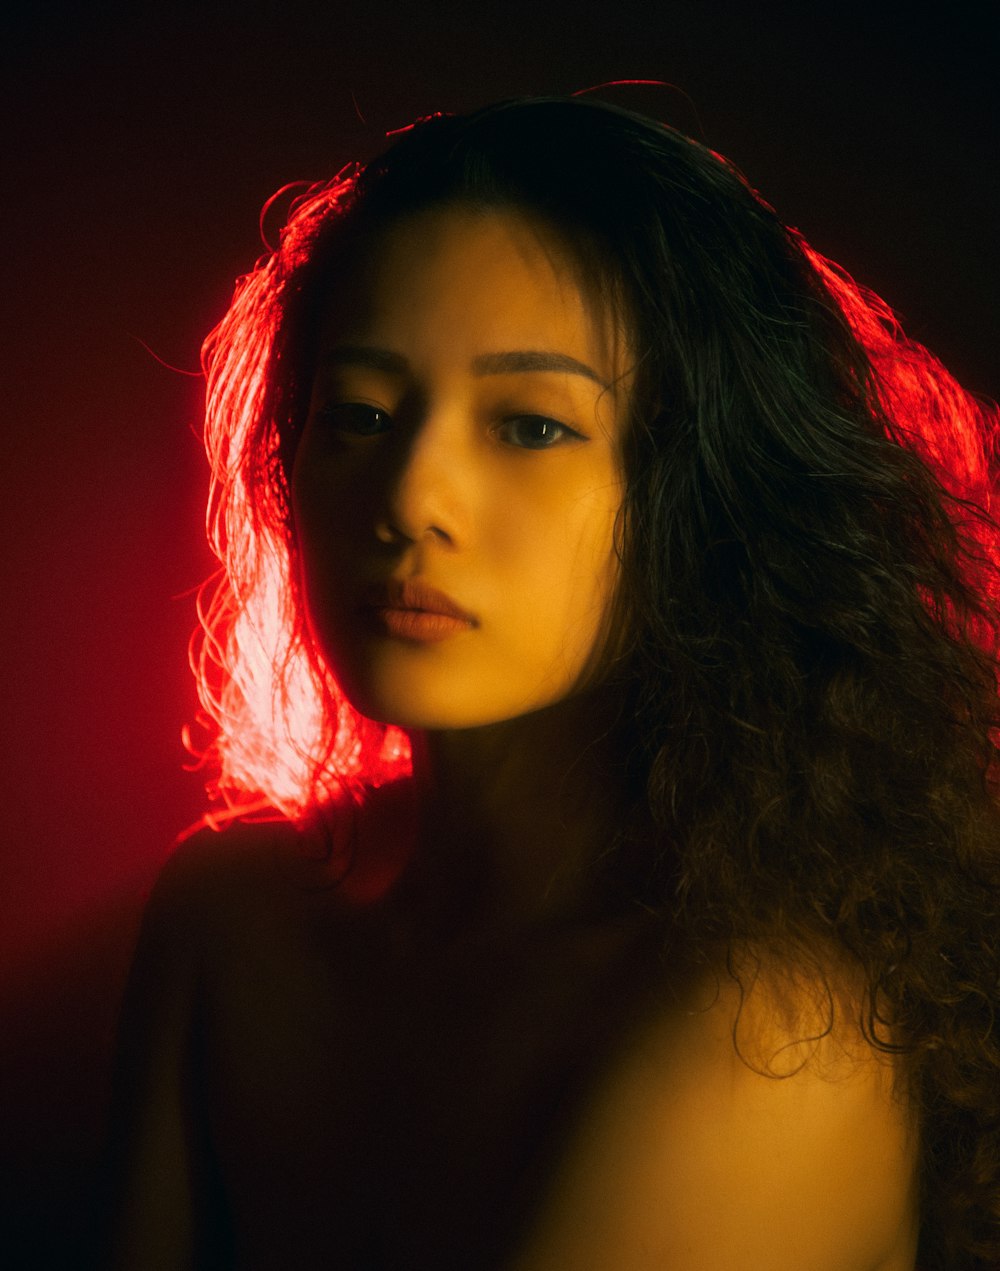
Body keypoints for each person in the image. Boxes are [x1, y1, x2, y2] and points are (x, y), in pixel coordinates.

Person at [106, 96, 1000, 1269]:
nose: (411, 496)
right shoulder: (222, 920)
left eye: (530, 426)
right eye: (363, 413)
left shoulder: (765, 1025)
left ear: (707, 495)